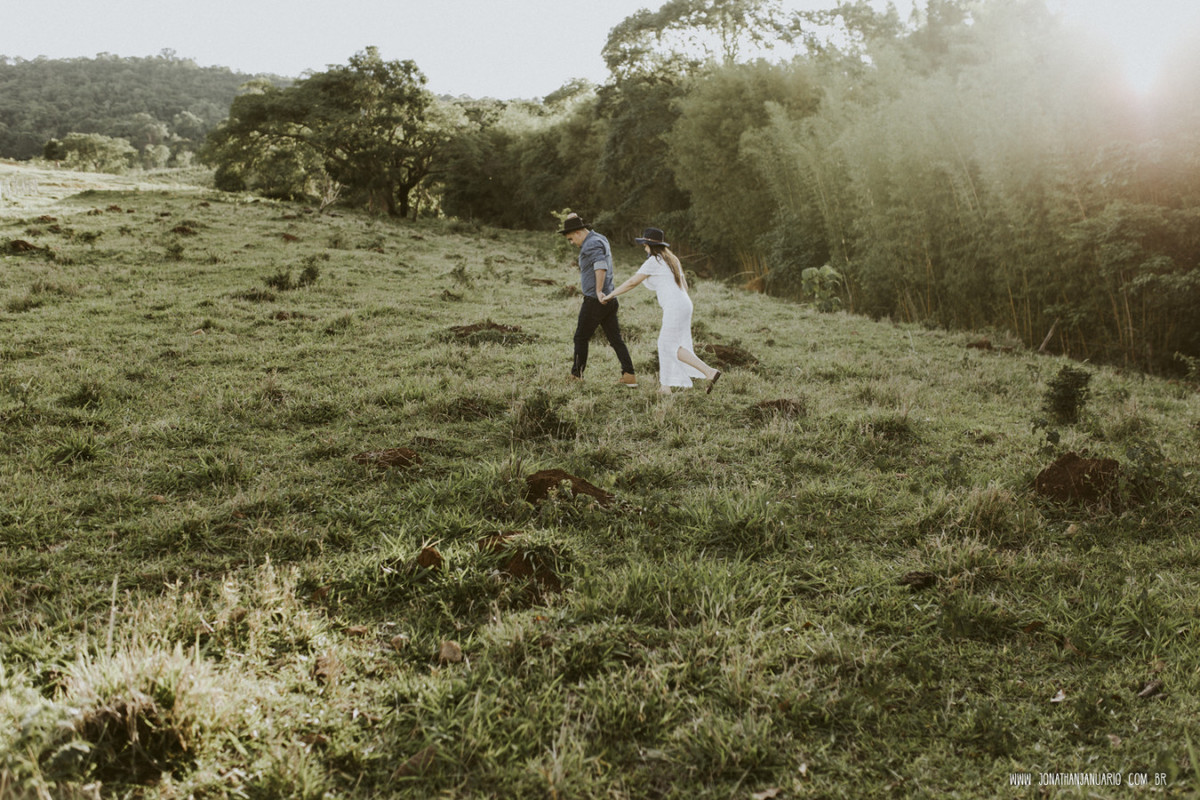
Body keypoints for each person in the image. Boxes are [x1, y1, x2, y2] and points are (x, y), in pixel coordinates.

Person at [600, 227, 721, 394]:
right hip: (684, 303)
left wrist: (610, 295)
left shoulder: (654, 261)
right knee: (668, 344)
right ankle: (666, 386)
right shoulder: (673, 259)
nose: (644, 248)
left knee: (667, 344)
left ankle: (708, 372)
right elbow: (684, 286)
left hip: (675, 306)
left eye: (645, 245)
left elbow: (632, 282)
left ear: (650, 245)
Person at [559, 213, 638, 387]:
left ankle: (576, 375)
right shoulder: (599, 238)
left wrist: (598, 291)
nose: (572, 243)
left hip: (596, 300)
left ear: (579, 232)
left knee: (580, 337)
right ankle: (629, 374)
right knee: (615, 338)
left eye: (571, 239)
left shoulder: (591, 244)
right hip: (610, 299)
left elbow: (600, 265)